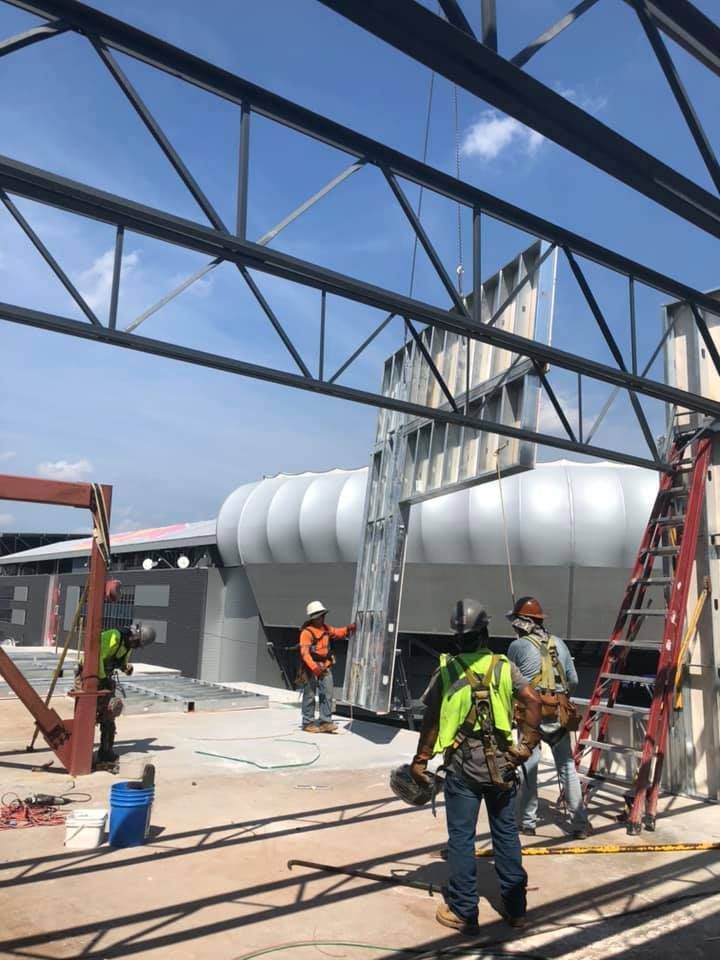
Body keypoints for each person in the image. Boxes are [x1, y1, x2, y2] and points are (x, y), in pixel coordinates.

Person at [408, 599, 542, 936]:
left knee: (462, 840)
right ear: (484, 633)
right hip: (502, 766)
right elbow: (533, 701)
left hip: (464, 771)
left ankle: (465, 911)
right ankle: (516, 910)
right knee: (506, 835)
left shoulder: (448, 671)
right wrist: (524, 747)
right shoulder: (503, 666)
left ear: (458, 637)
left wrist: (421, 760)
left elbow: (431, 722)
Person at [506, 596, 590, 840]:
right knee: (567, 769)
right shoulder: (559, 644)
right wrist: (558, 699)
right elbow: (573, 680)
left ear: (522, 623)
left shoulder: (517, 647)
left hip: (530, 715)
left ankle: (528, 822)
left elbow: (509, 682)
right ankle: (580, 823)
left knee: (529, 767)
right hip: (558, 712)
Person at [77, 623, 156, 763]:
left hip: (103, 677)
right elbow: (97, 657)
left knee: (109, 714)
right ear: (134, 635)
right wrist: (101, 679)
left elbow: (121, 662)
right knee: (86, 716)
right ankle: (79, 754)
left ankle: (106, 752)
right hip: (88, 675)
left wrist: (127, 668)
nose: (136, 646)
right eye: (137, 643)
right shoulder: (115, 636)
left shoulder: (127, 646)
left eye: (138, 646)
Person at [298, 600, 355, 734]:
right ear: (314, 617)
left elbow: (337, 632)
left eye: (323, 615)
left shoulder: (326, 629)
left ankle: (325, 722)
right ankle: (307, 722)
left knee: (327, 694)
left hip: (325, 667)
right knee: (309, 695)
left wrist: (349, 629)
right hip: (310, 670)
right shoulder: (306, 633)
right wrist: (314, 668)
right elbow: (305, 653)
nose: (323, 617)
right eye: (321, 615)